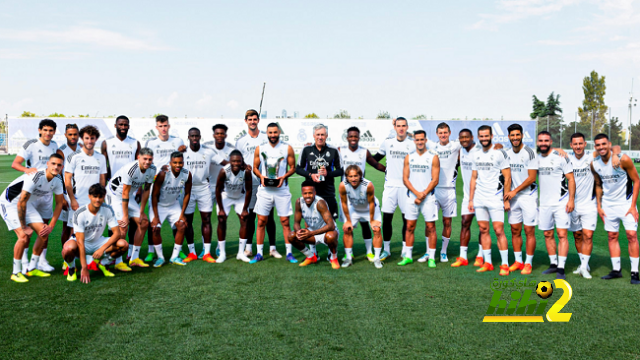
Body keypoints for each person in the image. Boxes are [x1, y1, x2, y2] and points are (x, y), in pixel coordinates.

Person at [1, 153, 65, 282]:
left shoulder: (57, 180)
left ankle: (32, 268)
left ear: (62, 167)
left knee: (43, 233)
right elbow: (21, 202)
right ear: (47, 164)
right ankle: (16, 272)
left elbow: (59, 203)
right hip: (9, 203)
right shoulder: (36, 176)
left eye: (59, 165)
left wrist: (51, 225)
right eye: (53, 164)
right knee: (23, 237)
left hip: (26, 204)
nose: (56, 167)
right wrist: (24, 226)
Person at [591, 134, 640, 284]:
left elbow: (637, 181)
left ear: (609, 144)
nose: (601, 147)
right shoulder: (594, 163)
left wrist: (633, 206)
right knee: (612, 236)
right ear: (595, 147)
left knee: (631, 235)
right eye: (598, 145)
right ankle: (616, 270)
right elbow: (598, 184)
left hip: (626, 204)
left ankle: (635, 273)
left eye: (603, 144)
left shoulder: (623, 159)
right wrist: (599, 206)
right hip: (608, 205)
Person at [11, 119, 59, 272]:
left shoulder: (54, 146)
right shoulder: (31, 144)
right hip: (31, 190)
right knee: (28, 226)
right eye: (45, 130)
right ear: (40, 130)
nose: (48, 133)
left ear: (54, 132)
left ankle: (41, 261)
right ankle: (24, 260)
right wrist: (26, 170)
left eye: (51, 130)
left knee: (44, 228)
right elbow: (15, 163)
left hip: (46, 192)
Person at [62, 184, 128, 283]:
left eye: (100, 197)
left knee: (123, 244)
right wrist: (84, 267)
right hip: (81, 243)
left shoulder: (108, 209)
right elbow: (80, 241)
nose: (97, 200)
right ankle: (71, 269)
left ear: (104, 197)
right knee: (67, 249)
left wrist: (101, 249)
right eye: (95, 196)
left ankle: (104, 263)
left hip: (98, 242)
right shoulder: (80, 213)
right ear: (89, 196)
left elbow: (117, 233)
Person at [234, 109, 278, 257]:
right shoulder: (240, 141)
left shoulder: (266, 138)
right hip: (249, 183)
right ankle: (249, 247)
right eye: (250, 119)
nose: (252, 121)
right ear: (245, 121)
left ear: (258, 120)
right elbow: (236, 161)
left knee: (269, 216)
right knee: (250, 216)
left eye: (255, 119)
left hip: (266, 182)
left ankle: (272, 248)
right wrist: (243, 166)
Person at [468, 125, 512, 276]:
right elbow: (474, 178)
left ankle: (505, 264)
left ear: (491, 136)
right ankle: (488, 263)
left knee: (499, 231)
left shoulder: (500, 153)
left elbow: (507, 177)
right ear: (478, 137)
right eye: (481, 136)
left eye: (486, 136)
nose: (484, 139)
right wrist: (471, 199)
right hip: (479, 198)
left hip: (495, 198)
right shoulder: (476, 154)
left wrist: (506, 199)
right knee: (483, 230)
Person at [251, 122, 297, 263]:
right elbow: (255, 167)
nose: (272, 135)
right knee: (261, 222)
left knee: (285, 222)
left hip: (281, 190)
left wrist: (284, 176)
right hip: (264, 190)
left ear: (279, 133)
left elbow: (293, 167)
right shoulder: (260, 148)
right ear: (267, 133)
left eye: (275, 132)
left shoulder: (287, 148)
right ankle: (259, 253)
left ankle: (289, 253)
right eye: (270, 133)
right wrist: (261, 177)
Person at [338, 126, 385, 261]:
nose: (353, 139)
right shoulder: (341, 150)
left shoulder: (364, 152)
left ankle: (369, 252)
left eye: (355, 136)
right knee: (348, 225)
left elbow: (375, 164)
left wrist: (388, 170)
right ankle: (350, 252)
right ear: (347, 138)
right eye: (351, 136)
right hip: (347, 193)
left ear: (359, 138)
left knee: (366, 223)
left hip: (362, 193)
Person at [64, 125, 107, 272]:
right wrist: (72, 199)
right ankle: (69, 263)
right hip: (78, 201)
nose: (89, 141)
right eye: (87, 138)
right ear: (82, 139)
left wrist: (101, 199)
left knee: (95, 229)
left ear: (96, 139)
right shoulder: (74, 157)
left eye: (92, 138)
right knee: (73, 232)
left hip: (95, 202)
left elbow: (102, 180)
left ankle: (91, 261)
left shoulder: (101, 158)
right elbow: (67, 179)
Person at [296, 124, 343, 258]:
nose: (320, 137)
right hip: (311, 193)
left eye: (323, 135)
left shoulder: (333, 151)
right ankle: (313, 252)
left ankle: (331, 253)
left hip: (328, 193)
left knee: (331, 223)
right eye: (318, 135)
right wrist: (311, 175)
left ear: (326, 136)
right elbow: (298, 168)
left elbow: (340, 170)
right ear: (314, 136)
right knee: (309, 222)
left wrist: (328, 173)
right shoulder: (306, 150)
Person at [143, 114, 186, 262]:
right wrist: (157, 170)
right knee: (153, 223)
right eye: (160, 126)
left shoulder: (177, 141)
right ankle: (151, 251)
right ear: (157, 127)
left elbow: (182, 156)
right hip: (157, 184)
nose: (163, 128)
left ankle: (178, 251)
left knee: (178, 223)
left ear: (169, 126)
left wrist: (184, 149)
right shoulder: (151, 143)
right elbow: (146, 162)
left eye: (165, 125)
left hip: (174, 187)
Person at [106, 148, 156, 270]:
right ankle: (118, 261)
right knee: (123, 227)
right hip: (114, 195)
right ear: (138, 157)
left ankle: (134, 258)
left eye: (150, 159)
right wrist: (125, 215)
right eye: (145, 159)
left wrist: (142, 211)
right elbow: (124, 192)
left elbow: (146, 190)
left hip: (128, 196)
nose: (147, 162)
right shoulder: (131, 169)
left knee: (144, 222)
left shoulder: (152, 169)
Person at [373, 117, 416, 259]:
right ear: (395, 127)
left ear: (407, 127)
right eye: (399, 126)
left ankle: (404, 249)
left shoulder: (413, 144)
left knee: (406, 219)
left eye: (404, 125)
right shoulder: (387, 143)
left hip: (406, 187)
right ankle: (387, 249)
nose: (401, 128)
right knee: (387, 218)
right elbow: (374, 160)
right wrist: (385, 169)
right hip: (390, 186)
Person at [536, 131, 575, 280]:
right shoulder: (536, 159)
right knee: (547, 234)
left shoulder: (561, 157)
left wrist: (571, 200)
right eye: (541, 141)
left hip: (561, 202)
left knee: (562, 234)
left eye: (546, 140)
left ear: (551, 141)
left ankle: (561, 267)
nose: (543, 143)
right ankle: (553, 264)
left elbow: (571, 179)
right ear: (538, 143)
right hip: (544, 203)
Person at [101, 115, 141, 260]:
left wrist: (140, 189)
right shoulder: (107, 143)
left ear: (128, 126)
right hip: (114, 189)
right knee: (116, 222)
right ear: (115, 125)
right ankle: (114, 254)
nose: (123, 127)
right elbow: (103, 167)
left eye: (126, 125)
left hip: (132, 189)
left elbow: (139, 165)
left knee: (134, 222)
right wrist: (103, 187)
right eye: (121, 125)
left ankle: (129, 252)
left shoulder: (135, 143)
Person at [503, 124, 538, 275]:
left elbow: (531, 178)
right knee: (514, 230)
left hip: (528, 196)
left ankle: (528, 263)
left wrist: (514, 191)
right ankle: (518, 261)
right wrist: (506, 198)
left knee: (529, 230)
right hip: (513, 198)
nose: (515, 138)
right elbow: (507, 177)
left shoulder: (530, 153)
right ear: (509, 137)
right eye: (512, 135)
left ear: (522, 135)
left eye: (518, 135)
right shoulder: (506, 154)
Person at [401, 130, 440, 267]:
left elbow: (435, 180)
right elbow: (405, 179)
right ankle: (408, 256)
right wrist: (417, 193)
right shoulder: (409, 157)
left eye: (422, 139)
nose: (419, 142)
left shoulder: (433, 157)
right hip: (412, 197)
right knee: (410, 226)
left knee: (431, 227)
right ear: (414, 141)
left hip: (428, 198)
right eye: (417, 140)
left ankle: (431, 257)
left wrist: (422, 194)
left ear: (426, 140)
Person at [425, 122, 460, 263]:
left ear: (449, 133)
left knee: (447, 222)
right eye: (440, 133)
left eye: (445, 132)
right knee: (429, 224)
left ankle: (443, 251)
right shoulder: (432, 146)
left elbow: (470, 143)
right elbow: (413, 137)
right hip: (434, 190)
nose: (443, 135)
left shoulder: (455, 146)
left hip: (449, 191)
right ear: (437, 134)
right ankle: (428, 252)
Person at [150, 152, 192, 267]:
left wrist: (182, 213)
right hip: (158, 205)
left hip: (173, 204)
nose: (177, 165)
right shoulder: (163, 174)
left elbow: (188, 193)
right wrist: (156, 216)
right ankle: (160, 257)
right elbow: (154, 195)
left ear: (183, 163)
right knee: (155, 229)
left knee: (182, 225)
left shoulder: (187, 174)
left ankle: (174, 257)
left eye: (180, 163)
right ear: (170, 163)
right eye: (175, 163)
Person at [338, 165, 384, 269]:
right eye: (350, 176)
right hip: (354, 207)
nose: (353, 179)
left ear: (360, 176)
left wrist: (372, 220)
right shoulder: (342, 185)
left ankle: (376, 258)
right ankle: (349, 258)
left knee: (376, 229)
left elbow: (371, 203)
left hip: (369, 208)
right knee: (347, 229)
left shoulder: (368, 185)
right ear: (346, 177)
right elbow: (344, 203)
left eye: (355, 176)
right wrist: (348, 221)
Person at [288, 181, 340, 269]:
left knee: (331, 236)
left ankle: (333, 258)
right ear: (302, 193)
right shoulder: (299, 202)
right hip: (312, 233)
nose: (307, 196)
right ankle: (311, 256)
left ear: (315, 193)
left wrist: (311, 233)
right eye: (305, 193)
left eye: (310, 193)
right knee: (292, 236)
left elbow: (331, 225)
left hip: (326, 232)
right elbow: (296, 222)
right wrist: (298, 231)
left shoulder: (320, 203)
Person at [182, 128, 216, 263]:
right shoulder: (183, 153)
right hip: (187, 190)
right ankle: (192, 253)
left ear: (200, 137)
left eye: (196, 136)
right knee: (187, 221)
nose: (194, 138)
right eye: (192, 136)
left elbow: (223, 162)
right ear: (188, 137)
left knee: (206, 219)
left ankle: (207, 253)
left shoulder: (208, 152)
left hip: (204, 188)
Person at [202, 124, 236, 257]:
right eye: (217, 133)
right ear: (213, 135)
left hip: (224, 188)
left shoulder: (232, 148)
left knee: (222, 219)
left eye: (222, 134)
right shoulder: (206, 147)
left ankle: (218, 246)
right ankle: (206, 249)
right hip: (208, 188)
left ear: (225, 135)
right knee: (206, 219)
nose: (220, 136)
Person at [215, 150, 253, 263]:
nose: (236, 163)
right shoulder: (223, 171)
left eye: (238, 161)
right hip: (226, 197)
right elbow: (218, 189)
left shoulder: (246, 172)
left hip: (239, 197)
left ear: (242, 162)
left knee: (244, 220)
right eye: (233, 161)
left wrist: (245, 209)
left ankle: (240, 253)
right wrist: (221, 209)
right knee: (221, 220)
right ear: (229, 161)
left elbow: (249, 190)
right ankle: (222, 253)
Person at [56, 123, 81, 259]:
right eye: (70, 134)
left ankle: (76, 253)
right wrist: (63, 198)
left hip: (80, 193)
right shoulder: (61, 151)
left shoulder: (82, 149)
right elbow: (58, 175)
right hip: (67, 194)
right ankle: (66, 256)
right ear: (65, 135)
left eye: (75, 134)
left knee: (79, 225)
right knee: (66, 226)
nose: (73, 137)